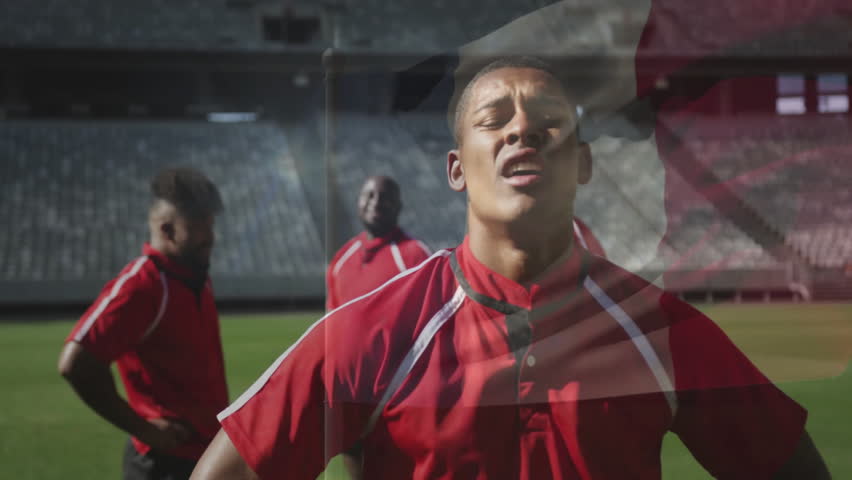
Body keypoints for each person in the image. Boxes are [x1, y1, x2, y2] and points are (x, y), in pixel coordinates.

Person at [191, 57, 829, 479]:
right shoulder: (376, 331)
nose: (522, 130)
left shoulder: (660, 331)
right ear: (456, 168)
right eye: (494, 121)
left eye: (549, 123)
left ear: (581, 162)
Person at [59, 167, 229, 480]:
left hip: (205, 454)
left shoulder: (195, 276)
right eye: (198, 226)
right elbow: (75, 363)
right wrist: (145, 429)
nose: (210, 237)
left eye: (211, 223)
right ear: (167, 230)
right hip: (165, 463)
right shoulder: (143, 285)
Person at [325, 175, 431, 311]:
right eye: (369, 196)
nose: (375, 202)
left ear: (398, 207)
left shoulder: (416, 256)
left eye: (385, 197)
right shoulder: (342, 258)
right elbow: (331, 320)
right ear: (359, 202)